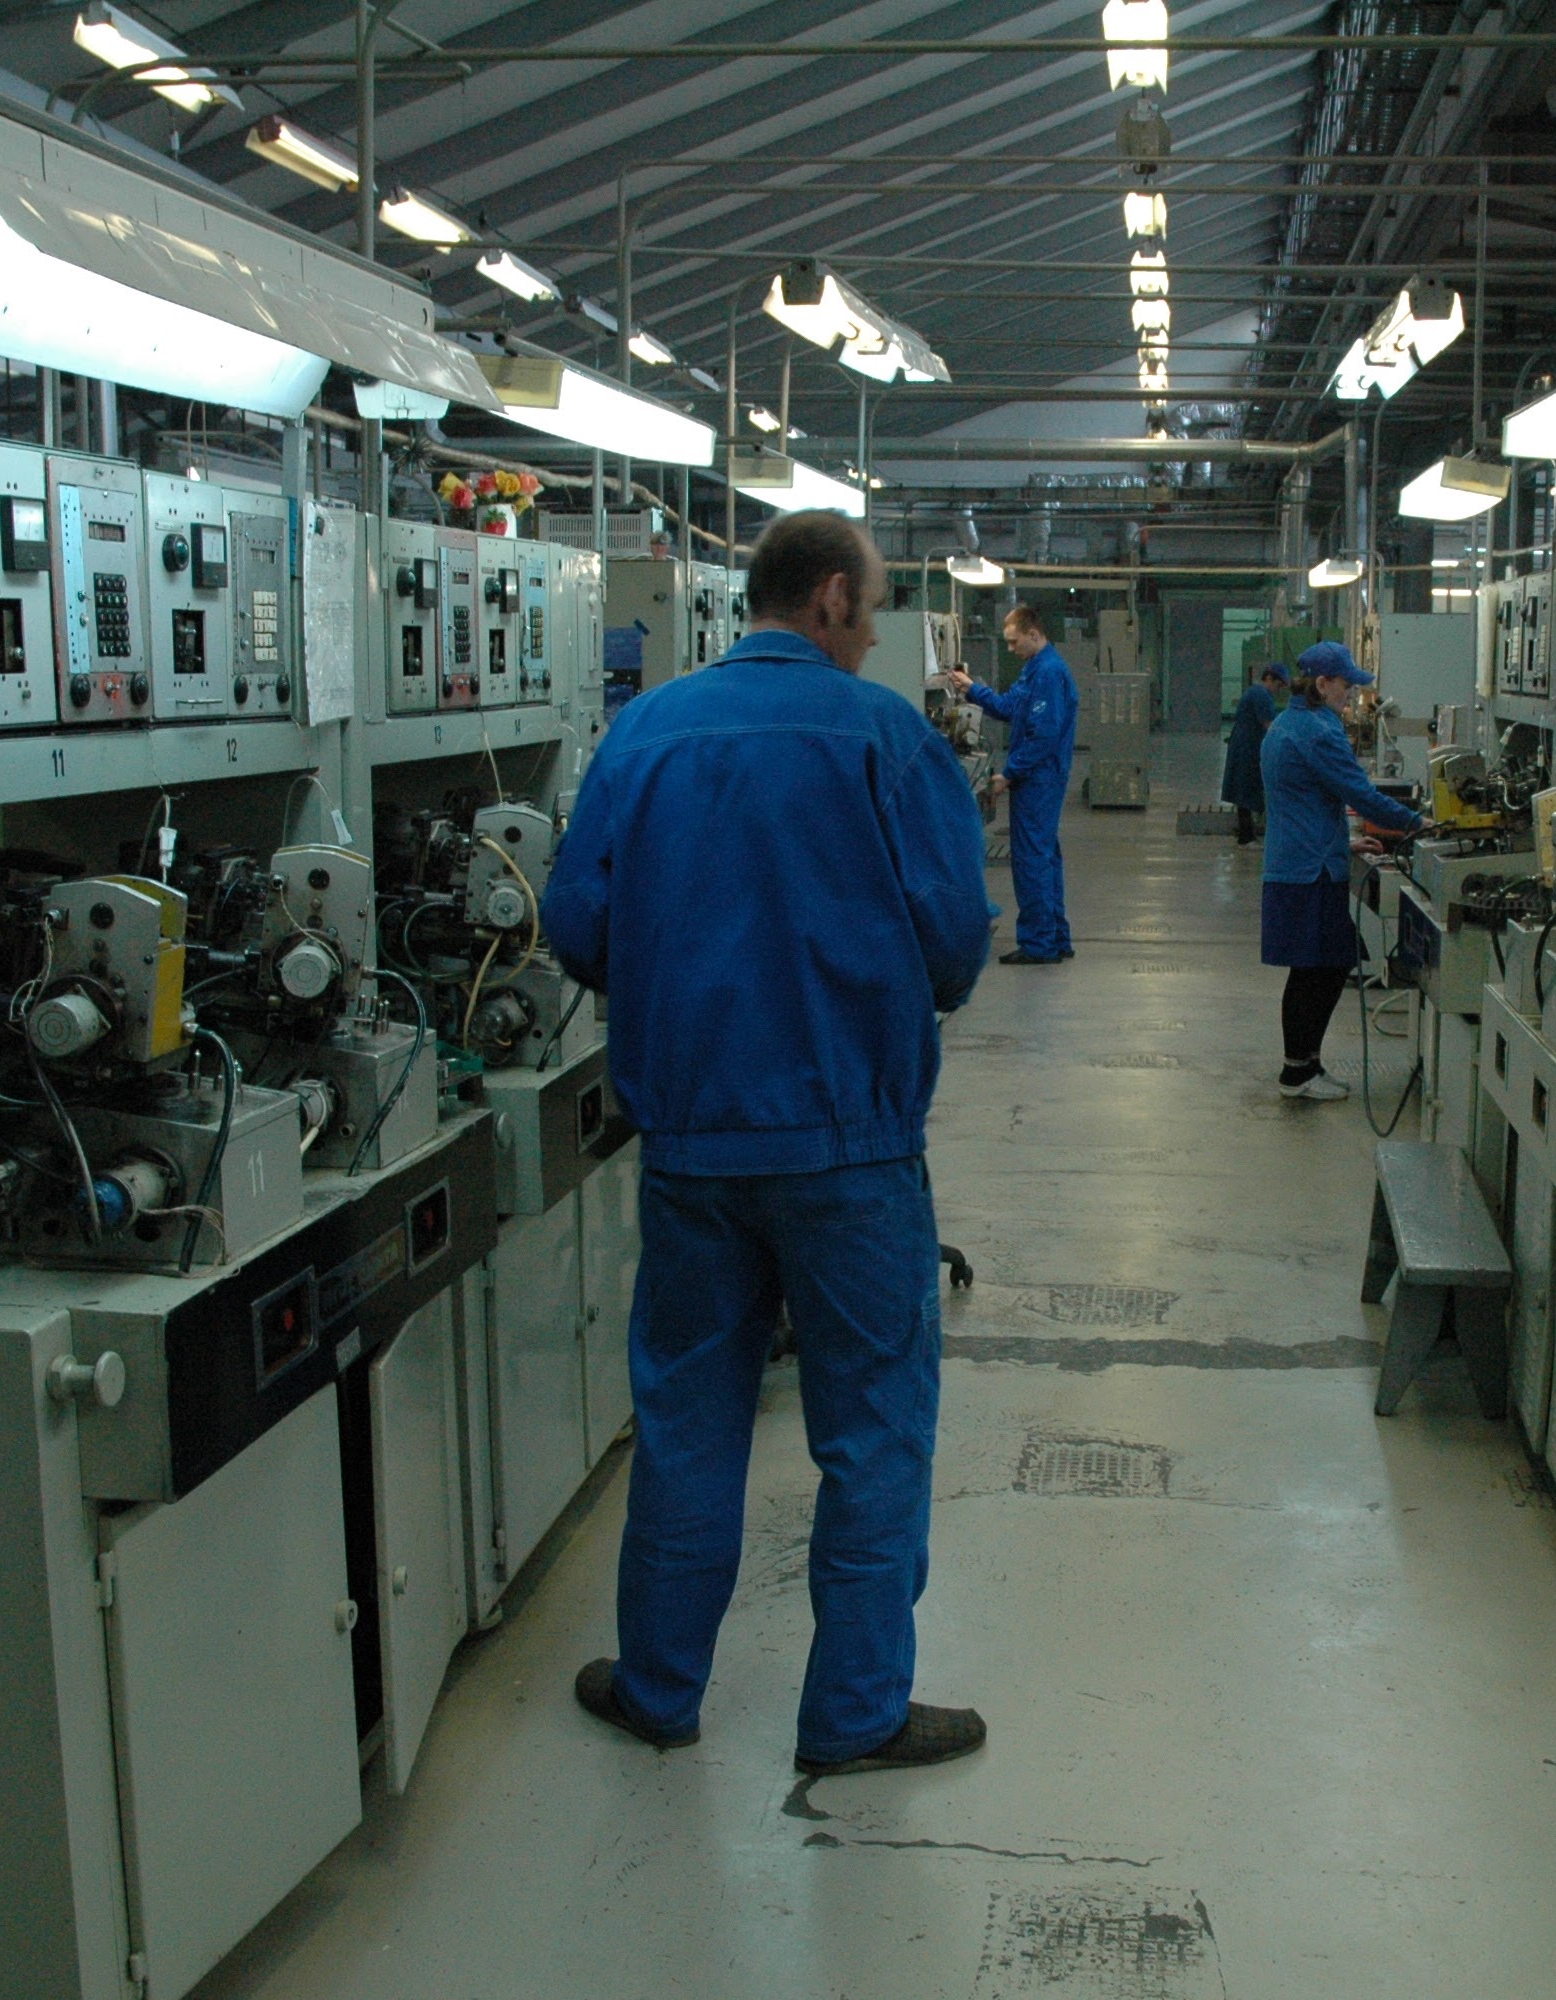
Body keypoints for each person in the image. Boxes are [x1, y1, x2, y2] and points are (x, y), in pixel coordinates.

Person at [542, 510, 997, 1777]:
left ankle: (657, 1686)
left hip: (690, 1149)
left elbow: (574, 924)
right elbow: (955, 939)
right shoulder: (884, 738)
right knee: (871, 1429)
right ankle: (852, 1713)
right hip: (849, 1152)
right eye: (876, 608)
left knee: (687, 1418)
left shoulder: (645, 732)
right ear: (833, 598)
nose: (874, 634)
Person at [1259, 639, 1422, 1100]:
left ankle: (1306, 1064)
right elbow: (1361, 795)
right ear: (1322, 683)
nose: (1350, 694)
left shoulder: (1288, 723)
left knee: (1320, 966)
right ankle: (1297, 1072)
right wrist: (1419, 824)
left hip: (1297, 859)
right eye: (1345, 685)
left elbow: (1300, 801)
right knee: (1319, 969)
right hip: (1310, 870)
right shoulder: (1318, 731)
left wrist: (1343, 842)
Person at [942, 604, 1077, 964]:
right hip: (1039, 776)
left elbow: (1043, 735)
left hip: (1039, 779)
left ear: (1034, 634)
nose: (1010, 649)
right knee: (1045, 856)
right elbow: (1009, 707)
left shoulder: (1048, 673)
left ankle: (1039, 945)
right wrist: (972, 689)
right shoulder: (1035, 668)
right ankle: (1056, 937)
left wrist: (1010, 773)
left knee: (1032, 860)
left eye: (1015, 642)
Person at [1221, 660, 1287, 844]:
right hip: (1247, 748)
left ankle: (1247, 833)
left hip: (1246, 746)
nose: (1278, 690)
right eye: (1278, 685)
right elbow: (1269, 725)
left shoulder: (1256, 692)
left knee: (1244, 790)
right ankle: (1245, 836)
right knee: (1245, 790)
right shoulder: (1261, 695)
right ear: (1269, 679)